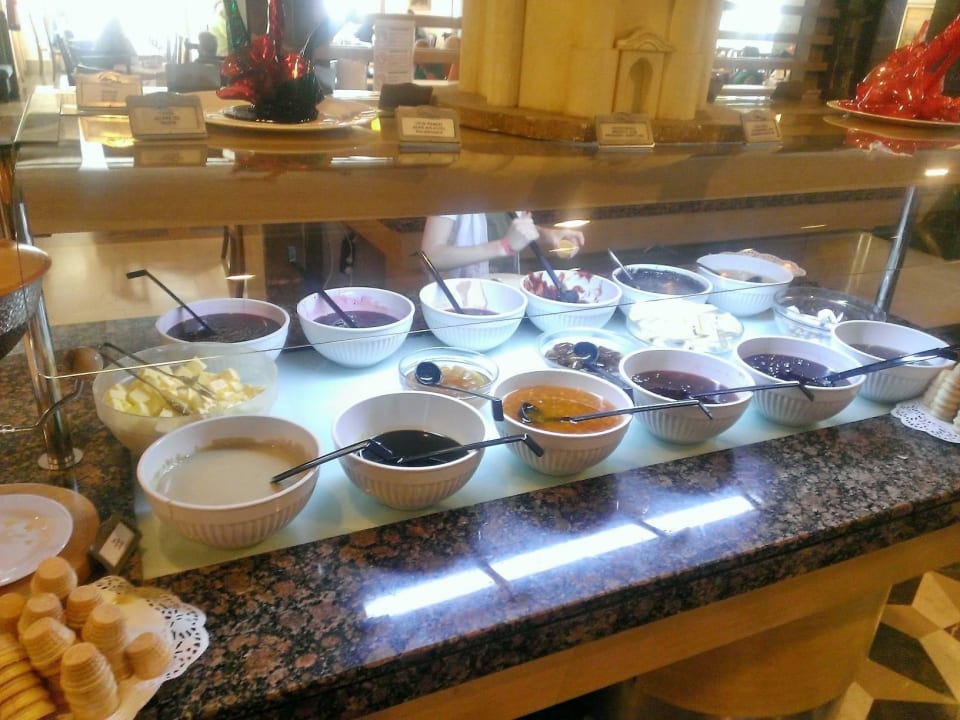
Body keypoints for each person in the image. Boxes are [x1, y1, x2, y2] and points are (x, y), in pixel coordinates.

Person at [421, 212, 585, 278]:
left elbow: (516, 230)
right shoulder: (450, 186)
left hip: (508, 296)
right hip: (461, 302)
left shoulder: (510, 183)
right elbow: (429, 257)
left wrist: (547, 235)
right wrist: (503, 246)